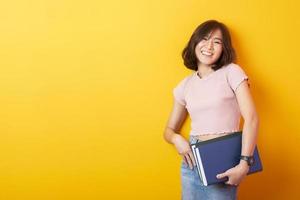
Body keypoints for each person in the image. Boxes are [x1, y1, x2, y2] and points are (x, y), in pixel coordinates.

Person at [163, 19, 260, 200]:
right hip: (191, 164)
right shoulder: (185, 85)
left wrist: (245, 163)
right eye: (204, 39)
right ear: (195, 42)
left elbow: (252, 119)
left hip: (222, 160)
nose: (209, 46)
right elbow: (168, 130)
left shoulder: (232, 72)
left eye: (217, 42)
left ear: (224, 48)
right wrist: (177, 139)